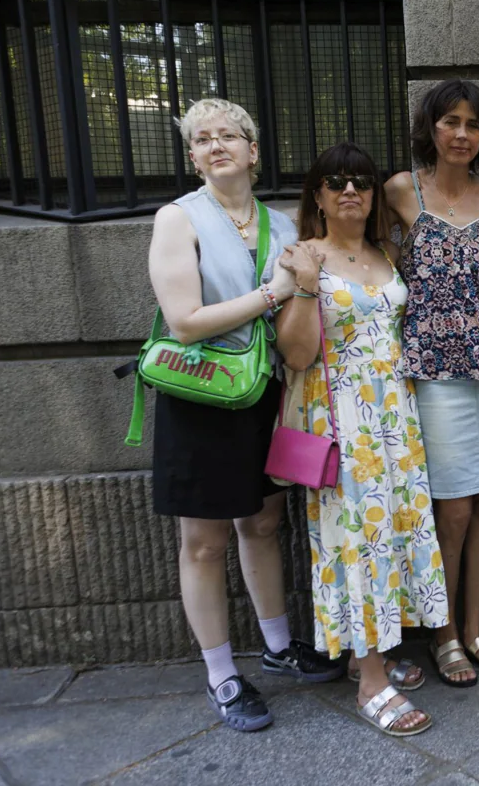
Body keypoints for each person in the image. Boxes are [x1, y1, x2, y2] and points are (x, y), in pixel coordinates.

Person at [148, 98, 341, 732]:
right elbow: (184, 322)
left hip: (264, 393)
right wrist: (270, 294)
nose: (214, 146)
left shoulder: (282, 226)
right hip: (202, 395)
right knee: (202, 543)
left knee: (261, 523)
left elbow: (297, 315)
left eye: (227, 135)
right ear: (194, 157)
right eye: (201, 140)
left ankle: (279, 648)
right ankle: (222, 675)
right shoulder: (179, 219)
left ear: (252, 150)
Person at [275, 142, 447, 736]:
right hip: (342, 421)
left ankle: (364, 653)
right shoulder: (303, 256)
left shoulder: (385, 254)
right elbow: (295, 353)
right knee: (358, 543)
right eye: (336, 181)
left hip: (395, 418)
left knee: (390, 536)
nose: (351, 190)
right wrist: (302, 285)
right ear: (318, 194)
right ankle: (371, 681)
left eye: (362, 182)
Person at [383, 80, 479, 686]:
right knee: (454, 505)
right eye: (450, 122)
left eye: (471, 124)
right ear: (431, 128)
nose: (461, 134)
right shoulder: (399, 189)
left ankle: (474, 629)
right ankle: (441, 634)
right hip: (435, 367)